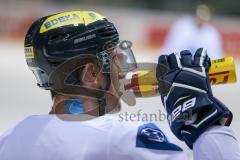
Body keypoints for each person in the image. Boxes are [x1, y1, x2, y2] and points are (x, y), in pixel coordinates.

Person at [0, 10, 239, 160]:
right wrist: (205, 123)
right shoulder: (126, 139)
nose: (125, 69)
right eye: (116, 59)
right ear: (91, 73)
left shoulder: (9, 139)